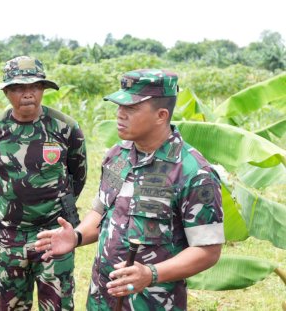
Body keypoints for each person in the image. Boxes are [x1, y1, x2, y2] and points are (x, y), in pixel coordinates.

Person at [36, 69, 225, 310]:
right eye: (119, 107)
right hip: (102, 298)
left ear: (161, 115)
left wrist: (151, 273)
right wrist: (77, 236)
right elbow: (102, 212)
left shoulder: (193, 172)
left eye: (131, 109)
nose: (119, 115)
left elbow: (208, 250)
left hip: (152, 302)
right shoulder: (118, 155)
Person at [0, 56, 87, 310]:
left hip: (53, 235)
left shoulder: (65, 127)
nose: (27, 94)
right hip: (10, 236)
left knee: (57, 306)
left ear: (43, 89)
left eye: (34, 87)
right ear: (6, 92)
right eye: (18, 88)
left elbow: (78, 175)